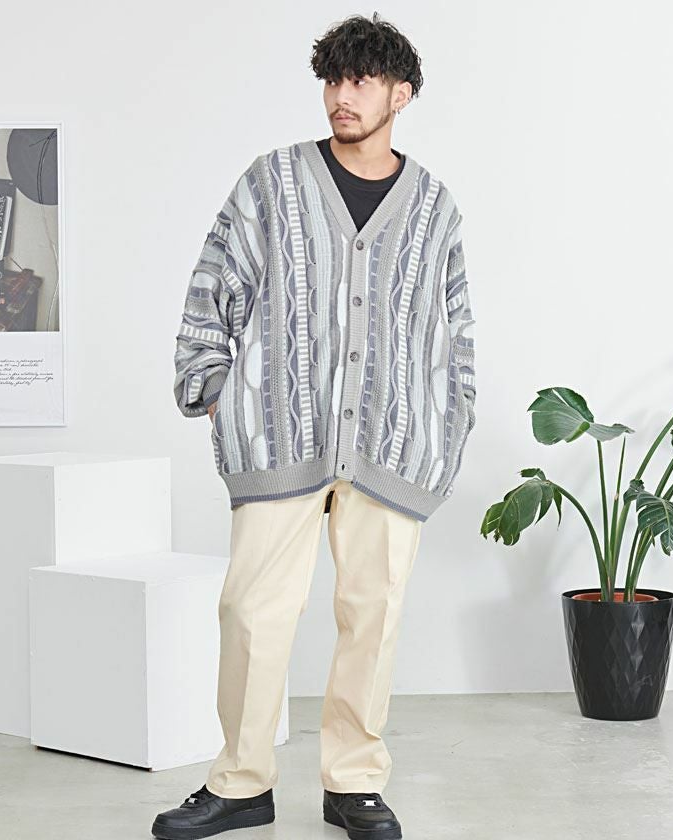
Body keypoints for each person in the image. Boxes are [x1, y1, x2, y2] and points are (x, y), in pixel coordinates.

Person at [154, 12, 476, 840]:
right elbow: (213, 282)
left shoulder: (434, 207)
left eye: (362, 80)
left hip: (391, 444)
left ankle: (353, 783)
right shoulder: (272, 182)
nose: (343, 96)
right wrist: (214, 388)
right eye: (334, 79)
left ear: (401, 94)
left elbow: (455, 332)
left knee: (374, 615)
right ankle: (241, 782)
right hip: (279, 436)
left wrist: (448, 428)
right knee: (252, 613)